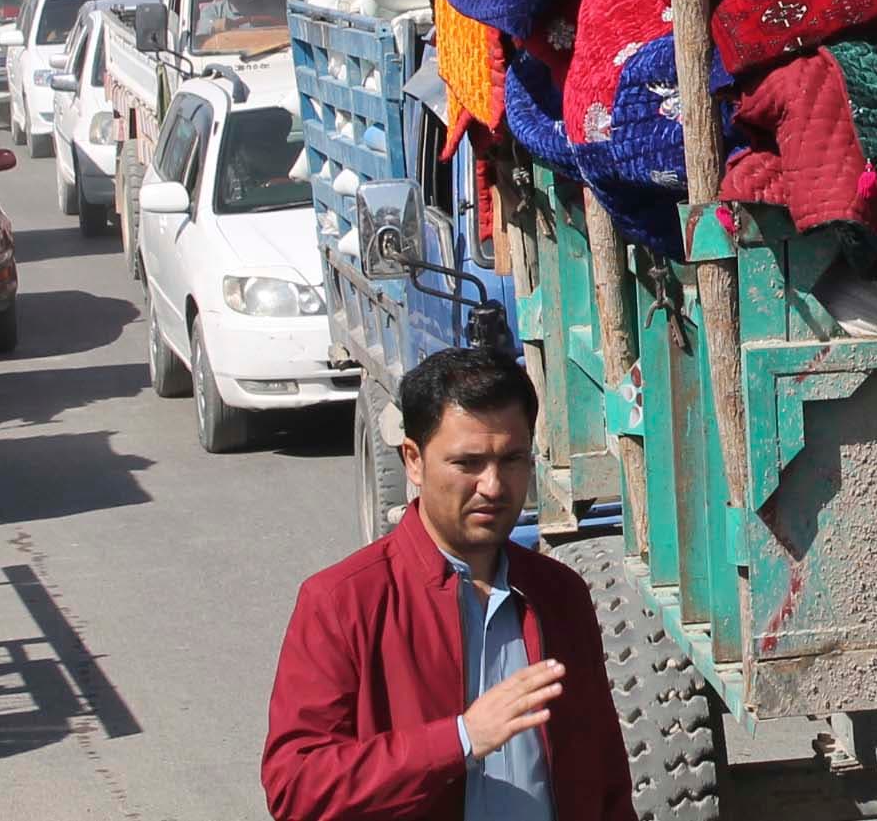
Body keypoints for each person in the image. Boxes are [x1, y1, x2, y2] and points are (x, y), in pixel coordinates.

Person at [262, 348, 635, 821]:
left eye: (512, 459)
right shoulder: (342, 603)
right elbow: (296, 788)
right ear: (414, 461)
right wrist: (459, 738)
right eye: (468, 464)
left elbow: (606, 778)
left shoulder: (559, 594)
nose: (494, 486)